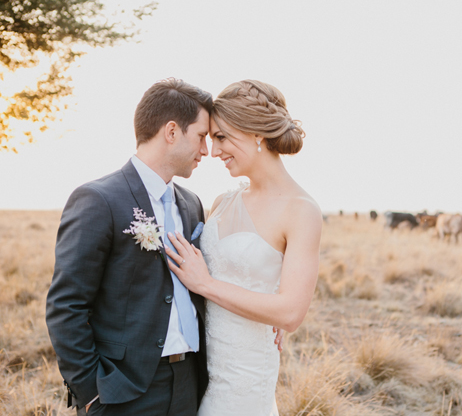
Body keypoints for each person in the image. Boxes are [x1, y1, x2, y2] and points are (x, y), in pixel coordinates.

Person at [46, 78, 282, 416]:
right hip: (124, 388)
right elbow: (66, 305)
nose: (206, 150)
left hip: (191, 380)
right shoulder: (98, 199)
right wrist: (91, 392)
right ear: (171, 132)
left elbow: (208, 277)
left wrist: (264, 315)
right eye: (202, 136)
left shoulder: (192, 204)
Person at [165, 79, 322, 416]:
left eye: (221, 137)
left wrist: (206, 284)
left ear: (256, 133)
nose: (214, 151)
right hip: (200, 374)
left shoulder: (301, 210)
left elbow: (291, 313)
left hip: (246, 384)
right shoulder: (222, 202)